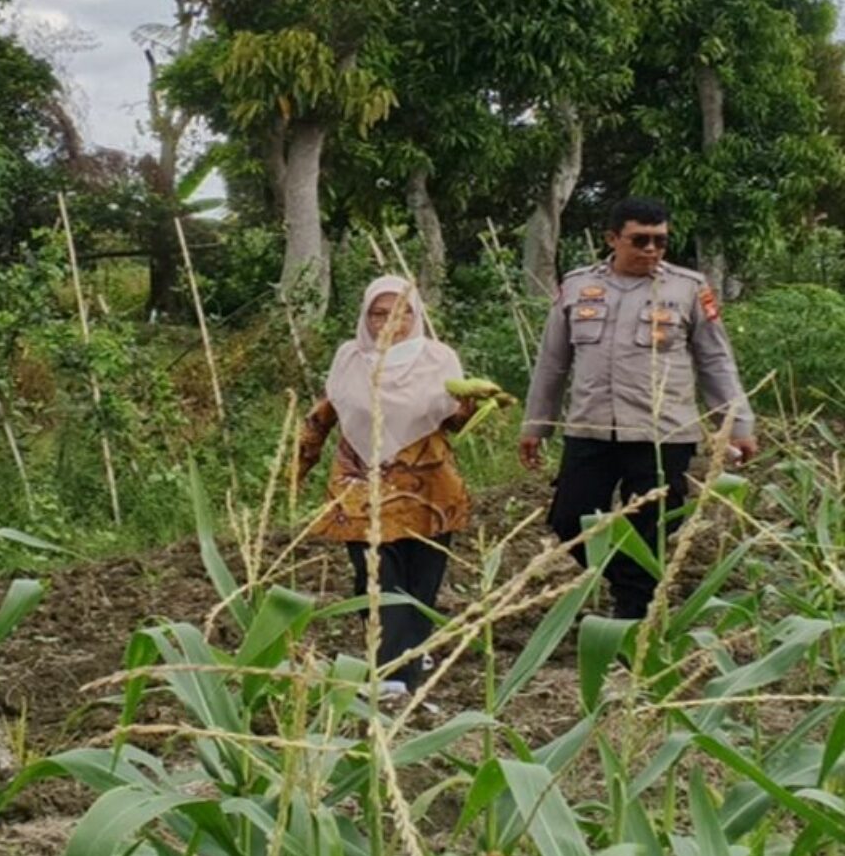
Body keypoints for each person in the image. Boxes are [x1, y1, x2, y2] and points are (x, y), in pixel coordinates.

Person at [518, 196, 757, 619]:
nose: (651, 250)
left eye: (660, 242)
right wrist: (536, 424)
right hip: (590, 427)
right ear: (613, 239)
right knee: (571, 519)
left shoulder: (687, 288)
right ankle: (633, 584)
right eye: (640, 240)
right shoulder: (576, 286)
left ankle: (632, 622)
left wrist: (736, 424)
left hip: (662, 432)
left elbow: (715, 360)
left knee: (651, 527)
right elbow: (552, 362)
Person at [296, 275, 476, 695]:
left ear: (416, 316)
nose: (388, 324)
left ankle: (411, 649)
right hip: (361, 484)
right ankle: (395, 674)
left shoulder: (439, 358)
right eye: (379, 314)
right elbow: (325, 412)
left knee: (421, 580)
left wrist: (469, 409)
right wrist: (298, 466)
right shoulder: (349, 359)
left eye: (401, 314)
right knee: (375, 578)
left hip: (428, 486)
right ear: (366, 316)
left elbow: (451, 423)